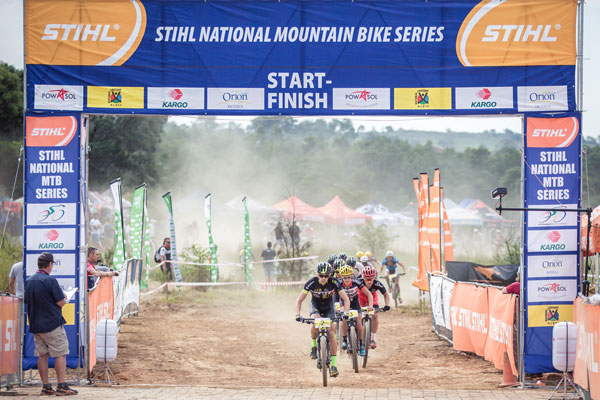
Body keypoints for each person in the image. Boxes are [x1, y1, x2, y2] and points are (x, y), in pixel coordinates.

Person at [24, 252, 78, 396]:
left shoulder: (29, 281)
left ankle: (46, 386)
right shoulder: (50, 281)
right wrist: (65, 297)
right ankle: (61, 385)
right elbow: (61, 303)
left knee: (42, 355)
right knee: (61, 354)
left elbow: (27, 301)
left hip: (36, 324)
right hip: (52, 324)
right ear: (50, 264)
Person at [295, 262, 350, 378]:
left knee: (331, 333)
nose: (324, 278)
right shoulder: (311, 282)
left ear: (330, 275)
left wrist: (346, 313)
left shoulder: (334, 282)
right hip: (316, 306)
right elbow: (299, 300)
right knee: (316, 322)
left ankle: (334, 365)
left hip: (329, 307)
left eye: (326, 275)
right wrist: (297, 314)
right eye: (321, 275)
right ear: (317, 274)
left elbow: (346, 299)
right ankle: (314, 345)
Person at [338, 265, 373, 356]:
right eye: (345, 278)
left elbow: (369, 294)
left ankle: (361, 345)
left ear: (352, 276)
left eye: (349, 277)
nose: (347, 279)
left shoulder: (356, 282)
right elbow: (333, 296)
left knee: (358, 323)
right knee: (344, 320)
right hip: (344, 304)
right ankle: (345, 339)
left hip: (355, 304)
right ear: (342, 277)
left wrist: (370, 305)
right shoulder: (338, 284)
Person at [358, 265, 391, 348]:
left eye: (371, 279)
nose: (369, 282)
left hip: (372, 299)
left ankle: (372, 338)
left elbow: (386, 294)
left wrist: (387, 305)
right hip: (360, 298)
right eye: (367, 279)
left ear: (374, 278)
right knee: (358, 316)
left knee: (375, 315)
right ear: (363, 278)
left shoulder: (377, 283)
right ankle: (356, 335)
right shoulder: (358, 282)